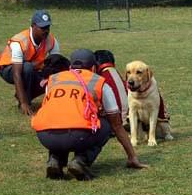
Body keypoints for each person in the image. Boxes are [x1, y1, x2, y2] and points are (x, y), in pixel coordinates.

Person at [31, 49, 146, 180]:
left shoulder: (54, 79)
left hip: (45, 136)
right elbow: (117, 125)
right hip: (76, 136)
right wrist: (132, 156)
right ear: (93, 67)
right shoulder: (99, 82)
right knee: (107, 124)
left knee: (60, 119)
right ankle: (80, 161)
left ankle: (55, 159)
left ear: (70, 67)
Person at [0, 10, 60, 115]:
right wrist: (24, 102)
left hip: (31, 68)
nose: (46, 31)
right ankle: (25, 101)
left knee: (53, 74)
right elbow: (17, 74)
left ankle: (23, 95)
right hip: (8, 69)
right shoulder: (20, 41)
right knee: (27, 68)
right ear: (33, 26)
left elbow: (57, 66)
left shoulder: (52, 40)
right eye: (42, 28)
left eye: (47, 27)